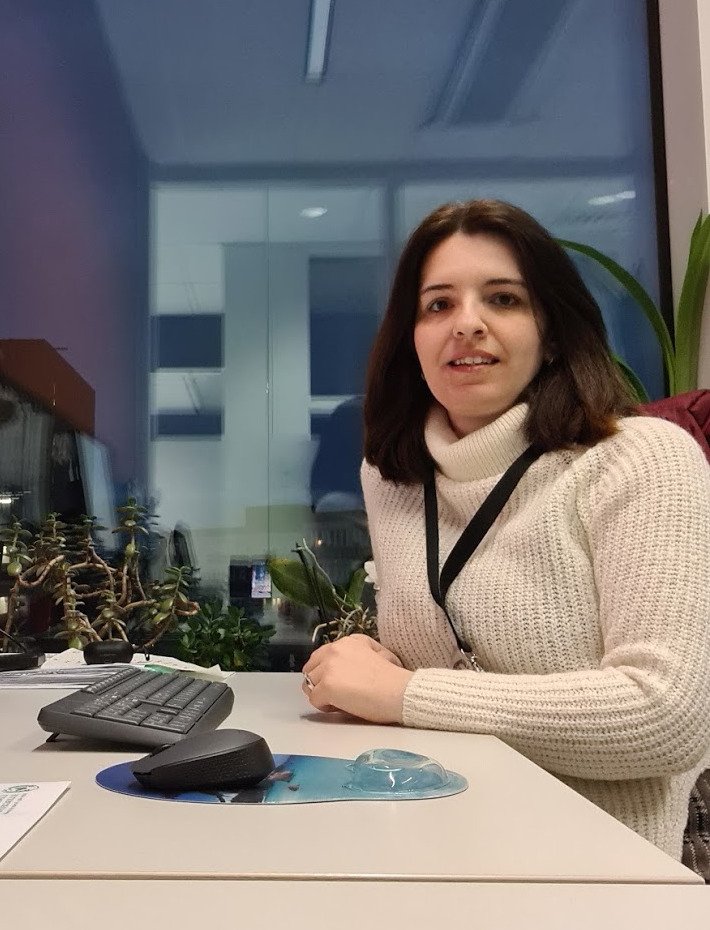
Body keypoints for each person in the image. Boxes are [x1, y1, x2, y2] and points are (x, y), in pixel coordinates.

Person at [302, 199, 710, 859]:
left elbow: (666, 717)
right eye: (437, 305)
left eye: (503, 299)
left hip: (600, 874)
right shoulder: (393, 480)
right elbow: (445, 654)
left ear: (551, 332)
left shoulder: (642, 460)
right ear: (411, 336)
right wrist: (376, 661)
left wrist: (405, 691)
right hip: (433, 850)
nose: (467, 324)